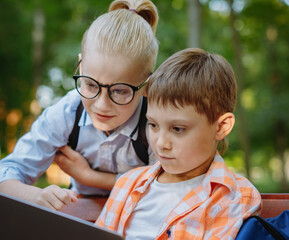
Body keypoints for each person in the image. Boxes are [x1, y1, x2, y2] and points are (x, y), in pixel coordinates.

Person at [0, 0, 159, 211]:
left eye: (120, 91)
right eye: (91, 84)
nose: (101, 105)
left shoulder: (156, 122)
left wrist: (90, 177)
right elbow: (3, 174)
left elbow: (165, 189)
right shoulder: (68, 112)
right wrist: (36, 196)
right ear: (80, 65)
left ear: (147, 85)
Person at [95, 48, 262, 240]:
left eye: (178, 129)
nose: (161, 143)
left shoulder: (235, 198)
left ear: (221, 127)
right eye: (153, 125)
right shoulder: (127, 183)